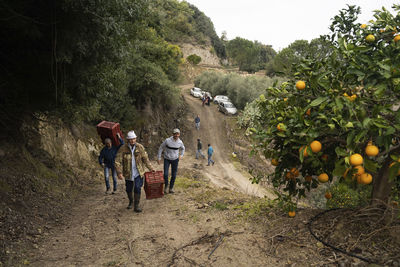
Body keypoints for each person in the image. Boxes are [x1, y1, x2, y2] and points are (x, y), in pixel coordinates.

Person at [115, 130, 154, 212]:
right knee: (129, 189)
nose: (132, 140)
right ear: (128, 140)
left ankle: (136, 205)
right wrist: (119, 172)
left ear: (136, 139)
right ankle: (131, 201)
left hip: (138, 172)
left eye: (133, 139)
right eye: (130, 139)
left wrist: (151, 168)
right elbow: (117, 161)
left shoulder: (140, 147)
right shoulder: (123, 148)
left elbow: (145, 159)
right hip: (128, 172)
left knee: (137, 188)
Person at [157, 128, 185, 194]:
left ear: (179, 134)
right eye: (175, 134)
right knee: (166, 174)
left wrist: (181, 155)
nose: (176, 135)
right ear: (172, 134)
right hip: (167, 159)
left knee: (174, 175)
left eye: (177, 134)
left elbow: (183, 149)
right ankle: (166, 186)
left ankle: (171, 188)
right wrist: (159, 157)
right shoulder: (167, 140)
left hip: (175, 159)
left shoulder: (180, 142)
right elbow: (161, 147)